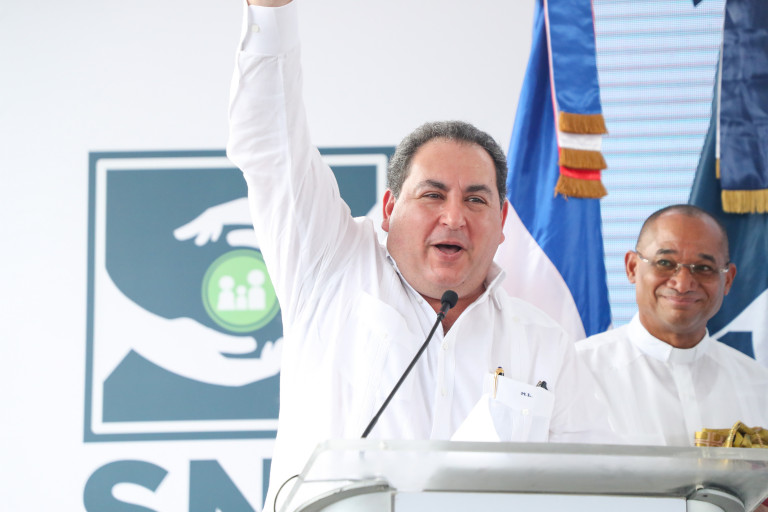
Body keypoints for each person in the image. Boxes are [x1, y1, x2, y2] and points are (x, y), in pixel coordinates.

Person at [227, 1, 611, 509]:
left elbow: (594, 488)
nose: (454, 217)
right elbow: (271, 146)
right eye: (432, 195)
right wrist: (271, 12)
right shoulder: (328, 266)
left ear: (502, 223)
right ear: (389, 209)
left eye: (476, 200)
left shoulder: (544, 345)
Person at [577, 205, 768, 446]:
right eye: (665, 263)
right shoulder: (578, 372)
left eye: (704, 268)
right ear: (632, 267)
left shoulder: (759, 385)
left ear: (727, 280)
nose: (683, 284)